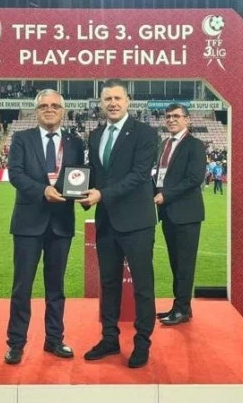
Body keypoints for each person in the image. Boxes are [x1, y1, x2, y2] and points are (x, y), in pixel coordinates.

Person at [78, 79, 158, 369]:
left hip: (137, 222)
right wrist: (81, 192)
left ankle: (142, 342)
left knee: (143, 286)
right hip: (107, 221)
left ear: (128, 101)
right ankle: (109, 339)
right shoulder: (96, 135)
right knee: (109, 283)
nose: (112, 103)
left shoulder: (146, 133)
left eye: (117, 98)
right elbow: (96, 173)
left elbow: (139, 175)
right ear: (101, 103)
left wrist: (101, 194)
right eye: (107, 99)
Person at [4, 89, 85, 365]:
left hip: (61, 223)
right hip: (28, 223)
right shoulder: (21, 139)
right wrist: (43, 190)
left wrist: (83, 194)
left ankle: (54, 339)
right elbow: (15, 174)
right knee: (22, 286)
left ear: (63, 111)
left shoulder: (75, 142)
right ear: (36, 111)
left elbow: (79, 176)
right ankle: (16, 343)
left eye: (54, 106)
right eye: (43, 106)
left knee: (56, 286)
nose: (49, 110)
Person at [153, 104, 206, 326]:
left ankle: (182, 309)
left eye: (176, 116)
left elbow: (194, 179)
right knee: (176, 262)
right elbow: (159, 176)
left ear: (187, 119)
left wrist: (165, 195)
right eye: (168, 116)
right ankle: (181, 306)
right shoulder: (164, 144)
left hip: (186, 213)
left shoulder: (195, 145)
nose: (171, 119)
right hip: (168, 213)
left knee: (185, 263)